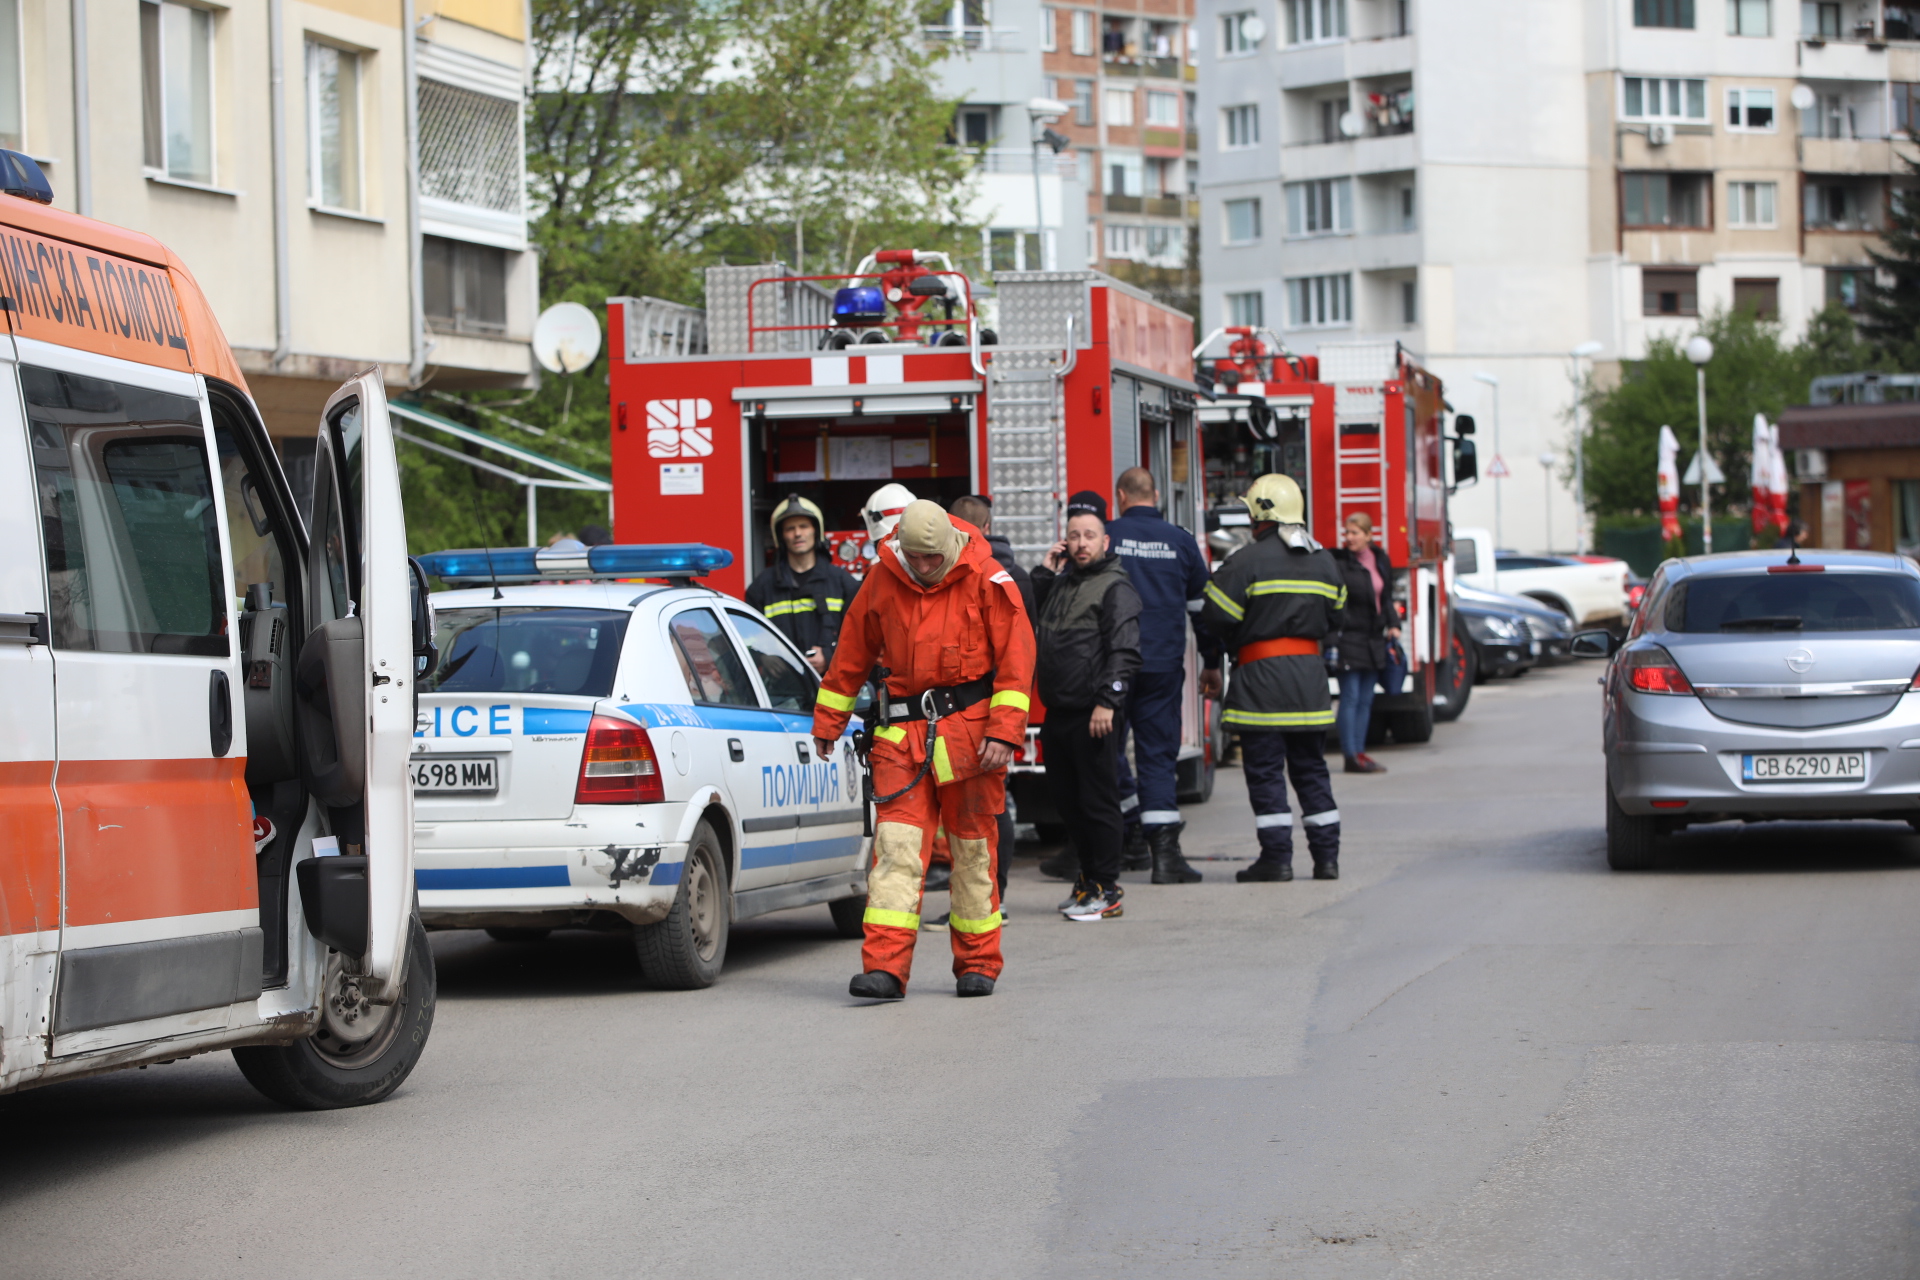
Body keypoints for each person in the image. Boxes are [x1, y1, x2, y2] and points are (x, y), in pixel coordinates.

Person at [812, 501, 1035, 1000]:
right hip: (902, 738)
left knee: (972, 852)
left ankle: (978, 963)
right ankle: (885, 969)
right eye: (917, 558)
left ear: (951, 545)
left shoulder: (988, 578)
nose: (926, 567)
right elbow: (851, 653)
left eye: (933, 559)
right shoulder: (883, 577)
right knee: (895, 852)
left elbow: (1017, 662)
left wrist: (1003, 732)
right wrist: (829, 721)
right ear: (901, 548)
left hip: (972, 740)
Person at [1197, 474, 1346, 883]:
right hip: (1310, 684)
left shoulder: (1244, 562)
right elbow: (1337, 615)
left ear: (1261, 513)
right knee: (1311, 769)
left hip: (1261, 684)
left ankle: (1277, 860)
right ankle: (1327, 859)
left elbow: (1215, 617)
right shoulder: (1324, 560)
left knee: (1264, 771)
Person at [1030, 491, 1142, 921]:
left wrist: (1107, 702)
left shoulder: (1115, 587)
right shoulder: (1061, 583)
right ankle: (1088, 880)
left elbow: (1125, 651)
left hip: (1094, 713)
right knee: (1068, 802)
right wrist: (1044, 570)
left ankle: (1107, 887)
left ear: (1105, 542)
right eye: (1074, 535)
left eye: (1089, 535)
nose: (1081, 543)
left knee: (1098, 802)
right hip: (1059, 713)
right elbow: (1027, 613)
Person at [1107, 466, 1213, 884]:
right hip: (1163, 667)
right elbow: (1204, 611)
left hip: (1113, 666)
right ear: (1156, 495)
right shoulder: (1181, 541)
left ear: (1120, 496)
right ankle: (1166, 858)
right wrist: (1211, 661)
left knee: (1106, 751)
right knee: (1157, 757)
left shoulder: (1107, 536)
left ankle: (1123, 826)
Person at [948, 495, 1034, 917]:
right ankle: (986, 900)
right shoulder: (1014, 574)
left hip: (981, 715)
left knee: (987, 812)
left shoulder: (998, 576)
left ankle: (990, 899)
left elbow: (1017, 657)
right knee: (986, 811)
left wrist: (1002, 726)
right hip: (990, 716)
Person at [746, 494, 859, 673]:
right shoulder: (761, 588)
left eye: (803, 526)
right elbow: (746, 637)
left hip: (832, 685)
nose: (797, 533)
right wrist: (762, 657)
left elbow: (860, 637)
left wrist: (830, 656)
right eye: (790, 528)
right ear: (781, 536)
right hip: (784, 690)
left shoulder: (843, 583)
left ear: (816, 531)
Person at [1330, 512, 1402, 775]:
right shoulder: (1340, 563)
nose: (1348, 538)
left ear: (1369, 536)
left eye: (1354, 533)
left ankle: (1360, 752)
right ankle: (1350, 755)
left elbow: (1386, 596)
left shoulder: (1380, 559)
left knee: (1366, 699)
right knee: (1350, 697)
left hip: (1374, 638)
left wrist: (1393, 624)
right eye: (1346, 533)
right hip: (1349, 636)